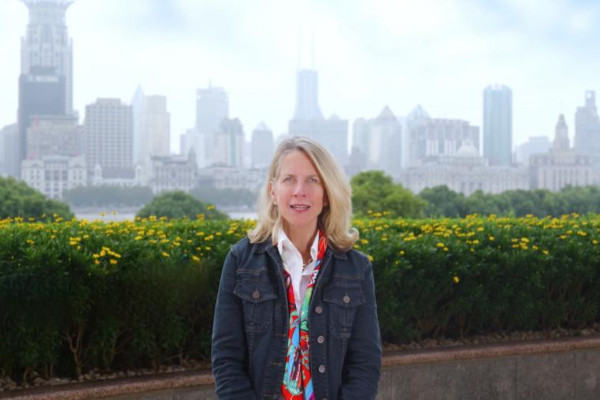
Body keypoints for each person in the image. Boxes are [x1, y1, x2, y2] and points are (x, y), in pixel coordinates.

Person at [211, 137, 382, 400]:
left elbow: (365, 363)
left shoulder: (356, 269)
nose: (299, 191)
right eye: (289, 179)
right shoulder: (241, 261)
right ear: (273, 191)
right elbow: (226, 359)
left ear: (327, 194)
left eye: (313, 180)